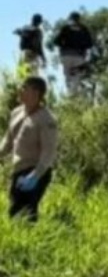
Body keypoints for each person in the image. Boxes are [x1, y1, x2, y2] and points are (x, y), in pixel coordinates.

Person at [0, 77, 59, 223]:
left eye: (24, 88)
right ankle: (20, 243)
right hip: (19, 170)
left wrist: (35, 176)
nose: (20, 91)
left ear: (36, 92)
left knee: (25, 212)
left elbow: (48, 152)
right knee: (14, 211)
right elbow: (8, 140)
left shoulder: (47, 119)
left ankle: (30, 244)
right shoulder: (16, 112)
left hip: (36, 171)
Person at [50, 12, 95, 96]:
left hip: (66, 55)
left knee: (67, 77)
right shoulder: (84, 29)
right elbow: (90, 44)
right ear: (79, 19)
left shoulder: (66, 28)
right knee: (76, 77)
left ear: (70, 18)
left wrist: (64, 45)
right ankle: (73, 95)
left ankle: (69, 95)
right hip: (79, 56)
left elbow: (56, 41)